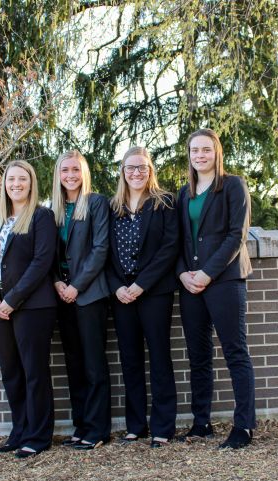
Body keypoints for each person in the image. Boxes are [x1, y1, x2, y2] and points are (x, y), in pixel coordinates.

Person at [176, 128, 256, 449]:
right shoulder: (185, 193)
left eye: (206, 150)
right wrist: (183, 273)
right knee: (198, 356)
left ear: (216, 153)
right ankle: (201, 422)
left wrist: (207, 273)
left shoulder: (233, 185)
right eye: (195, 150)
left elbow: (236, 235)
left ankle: (244, 426)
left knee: (235, 352)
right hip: (189, 285)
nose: (200, 155)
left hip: (224, 281)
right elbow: (180, 240)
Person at [0, 159, 57, 458]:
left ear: (31, 183)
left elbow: (41, 263)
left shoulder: (41, 217)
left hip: (34, 308)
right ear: (4, 184)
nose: (16, 184)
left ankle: (38, 436)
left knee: (34, 371)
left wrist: (12, 300)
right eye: (11, 179)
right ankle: (19, 430)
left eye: (22, 179)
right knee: (11, 372)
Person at [106, 146, 178, 448]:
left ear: (150, 170)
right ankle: (136, 426)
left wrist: (142, 285)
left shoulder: (164, 203)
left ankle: (163, 426)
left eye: (142, 167)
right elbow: (104, 253)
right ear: (123, 172)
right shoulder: (112, 207)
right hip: (121, 296)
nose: (137, 173)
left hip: (154, 293)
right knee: (130, 360)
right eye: (131, 168)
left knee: (159, 358)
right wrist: (117, 286)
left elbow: (169, 248)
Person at [51, 150, 112, 450]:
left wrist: (76, 285)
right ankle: (81, 426)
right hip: (63, 297)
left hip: (90, 295)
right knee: (74, 364)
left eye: (76, 170)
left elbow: (100, 249)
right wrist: (58, 283)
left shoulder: (96, 203)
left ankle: (98, 430)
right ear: (58, 175)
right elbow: (48, 252)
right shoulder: (54, 209)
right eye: (65, 170)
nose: (71, 175)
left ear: (83, 173)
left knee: (93, 364)